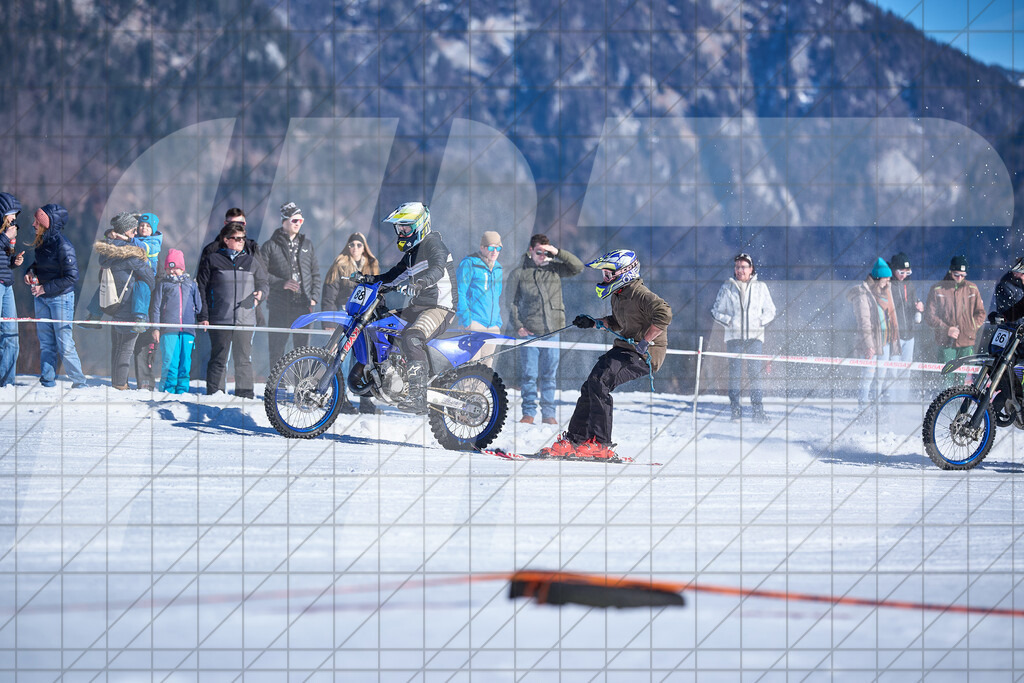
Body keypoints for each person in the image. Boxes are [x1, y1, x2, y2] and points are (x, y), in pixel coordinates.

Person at [540, 249, 671, 460]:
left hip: (644, 354)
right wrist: (593, 322)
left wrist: (645, 341)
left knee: (600, 382)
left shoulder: (640, 294)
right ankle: (575, 440)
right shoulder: (619, 295)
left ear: (625, 272)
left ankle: (601, 445)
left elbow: (664, 313)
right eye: (604, 274)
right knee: (591, 385)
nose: (605, 278)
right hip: (625, 349)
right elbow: (618, 322)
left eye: (609, 274)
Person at [360, 201, 457, 412]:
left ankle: (418, 395)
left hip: (440, 308)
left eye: (406, 227)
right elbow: (393, 276)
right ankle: (387, 376)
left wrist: (420, 283)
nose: (402, 232)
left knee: (413, 337)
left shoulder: (434, 244)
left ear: (420, 225)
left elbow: (437, 269)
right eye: (400, 228)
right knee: (378, 324)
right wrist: (367, 279)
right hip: (418, 307)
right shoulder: (412, 253)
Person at [503, 234, 584, 424]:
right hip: (529, 332)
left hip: (553, 331)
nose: (542, 256)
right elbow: (510, 302)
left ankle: (549, 414)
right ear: (531, 250)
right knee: (529, 375)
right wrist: (518, 326)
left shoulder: (554, 269)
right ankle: (528, 413)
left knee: (549, 375)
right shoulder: (519, 273)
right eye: (539, 251)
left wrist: (557, 252)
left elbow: (578, 267)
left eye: (546, 252)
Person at [197, 222, 269, 398]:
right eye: (237, 239)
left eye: (243, 238)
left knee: (244, 359)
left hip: (246, 319)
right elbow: (201, 289)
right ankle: (215, 394)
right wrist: (203, 315)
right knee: (219, 358)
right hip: (220, 318)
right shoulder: (212, 260)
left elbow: (263, 283)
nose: (241, 241)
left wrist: (260, 294)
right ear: (226, 240)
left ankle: (245, 395)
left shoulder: (251, 261)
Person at [23, 204, 88, 388]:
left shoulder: (64, 245)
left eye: (38, 221)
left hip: (61, 299)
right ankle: (47, 380)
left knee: (64, 342)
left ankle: (79, 382)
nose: (34, 224)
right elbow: (39, 264)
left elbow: (71, 277)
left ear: (47, 224)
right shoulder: (42, 242)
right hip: (41, 298)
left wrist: (44, 288)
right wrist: (30, 272)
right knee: (45, 342)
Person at [710, 253, 776, 421]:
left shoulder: (761, 287)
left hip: (755, 338)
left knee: (755, 374)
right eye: (737, 267)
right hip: (734, 338)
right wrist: (729, 321)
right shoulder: (727, 287)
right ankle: (735, 410)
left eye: (743, 267)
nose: (740, 270)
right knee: (735, 374)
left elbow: (771, 310)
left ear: (751, 269)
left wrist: (760, 321)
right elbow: (716, 311)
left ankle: (758, 411)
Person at [322, 231, 380, 414]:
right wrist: (330, 322)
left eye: (359, 245)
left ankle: (366, 399)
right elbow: (329, 294)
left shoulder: (372, 265)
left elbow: (379, 293)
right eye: (352, 244)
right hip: (345, 315)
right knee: (343, 357)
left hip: (366, 318)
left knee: (365, 358)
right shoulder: (340, 264)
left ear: (364, 248)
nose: (355, 248)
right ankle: (341, 398)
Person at [261, 202, 321, 366]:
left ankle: (301, 381)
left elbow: (315, 274)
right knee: (277, 349)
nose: (298, 224)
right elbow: (260, 274)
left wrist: (314, 297)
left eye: (300, 220)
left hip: (303, 306)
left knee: (302, 350)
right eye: (294, 220)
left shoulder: (307, 245)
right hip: (279, 306)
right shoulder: (270, 246)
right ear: (284, 221)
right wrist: (282, 283)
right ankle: (276, 382)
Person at [93, 235, 156, 389]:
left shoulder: (107, 258)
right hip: (130, 309)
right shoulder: (133, 259)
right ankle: (121, 384)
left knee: (119, 348)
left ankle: (117, 382)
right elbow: (150, 279)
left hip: (115, 305)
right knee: (126, 350)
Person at [925, 255, 986, 388]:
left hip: (967, 341)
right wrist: (947, 329)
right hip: (946, 342)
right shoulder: (938, 289)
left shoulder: (972, 288)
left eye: (963, 275)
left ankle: (960, 401)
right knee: (946, 378)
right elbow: (929, 316)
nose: (959, 278)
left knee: (962, 378)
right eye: (956, 274)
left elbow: (981, 313)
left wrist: (971, 327)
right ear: (950, 272)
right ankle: (944, 400)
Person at [847, 258, 901, 408]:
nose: (888, 281)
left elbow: (891, 315)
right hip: (870, 343)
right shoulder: (862, 294)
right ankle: (863, 406)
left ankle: (877, 407)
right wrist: (869, 346)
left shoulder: (886, 291)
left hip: (885, 342)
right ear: (878, 278)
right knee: (867, 377)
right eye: (886, 278)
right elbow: (864, 322)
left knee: (881, 378)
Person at [151, 249, 202, 394]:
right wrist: (156, 328)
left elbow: (199, 306)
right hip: (168, 330)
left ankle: (182, 391)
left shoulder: (191, 285)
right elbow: (156, 307)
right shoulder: (163, 285)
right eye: (169, 269)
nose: (172, 272)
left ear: (182, 268)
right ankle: (168, 390)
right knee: (170, 361)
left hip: (187, 330)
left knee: (185, 362)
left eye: (176, 268)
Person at [456, 231, 503, 366]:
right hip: (474, 322)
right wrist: (466, 320)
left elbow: (496, 296)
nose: (495, 252)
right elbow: (459, 293)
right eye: (491, 247)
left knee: (486, 368)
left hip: (492, 326)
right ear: (482, 247)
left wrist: (497, 322)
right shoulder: (470, 263)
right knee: (471, 365)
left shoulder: (498, 268)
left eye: (498, 248)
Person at [886, 252, 924, 402]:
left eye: (907, 272)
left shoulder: (910, 285)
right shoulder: (888, 285)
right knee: (893, 372)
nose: (904, 275)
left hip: (910, 335)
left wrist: (919, 307)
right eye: (901, 272)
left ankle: (902, 401)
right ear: (893, 270)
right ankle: (891, 402)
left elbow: (913, 304)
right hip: (895, 336)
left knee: (906, 371)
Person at [0, 193, 24, 387]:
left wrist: (14, 262)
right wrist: (5, 238)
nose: (13, 218)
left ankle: (7, 383)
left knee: (11, 334)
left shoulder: (7, 233)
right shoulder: (5, 235)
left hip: (7, 284)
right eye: (11, 213)